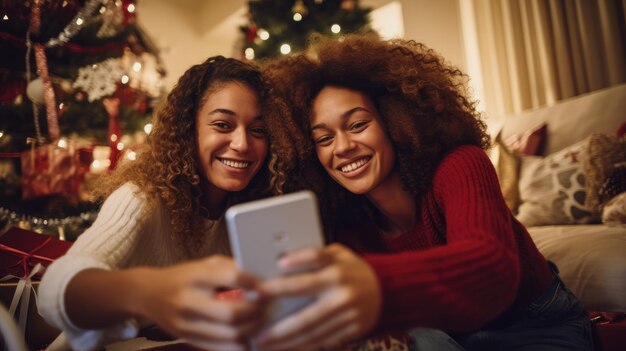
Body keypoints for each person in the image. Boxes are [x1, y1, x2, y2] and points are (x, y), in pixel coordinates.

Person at [257, 35, 594, 350]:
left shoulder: (461, 164)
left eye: (358, 125)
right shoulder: (343, 218)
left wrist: (370, 283)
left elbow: (493, 270)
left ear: (393, 121)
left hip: (533, 324)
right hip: (445, 334)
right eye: (324, 139)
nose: (343, 147)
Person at [38, 56, 290, 351]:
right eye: (223, 125)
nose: (242, 143)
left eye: (258, 130)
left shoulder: (254, 210)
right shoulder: (140, 198)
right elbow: (54, 291)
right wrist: (148, 291)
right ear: (188, 129)